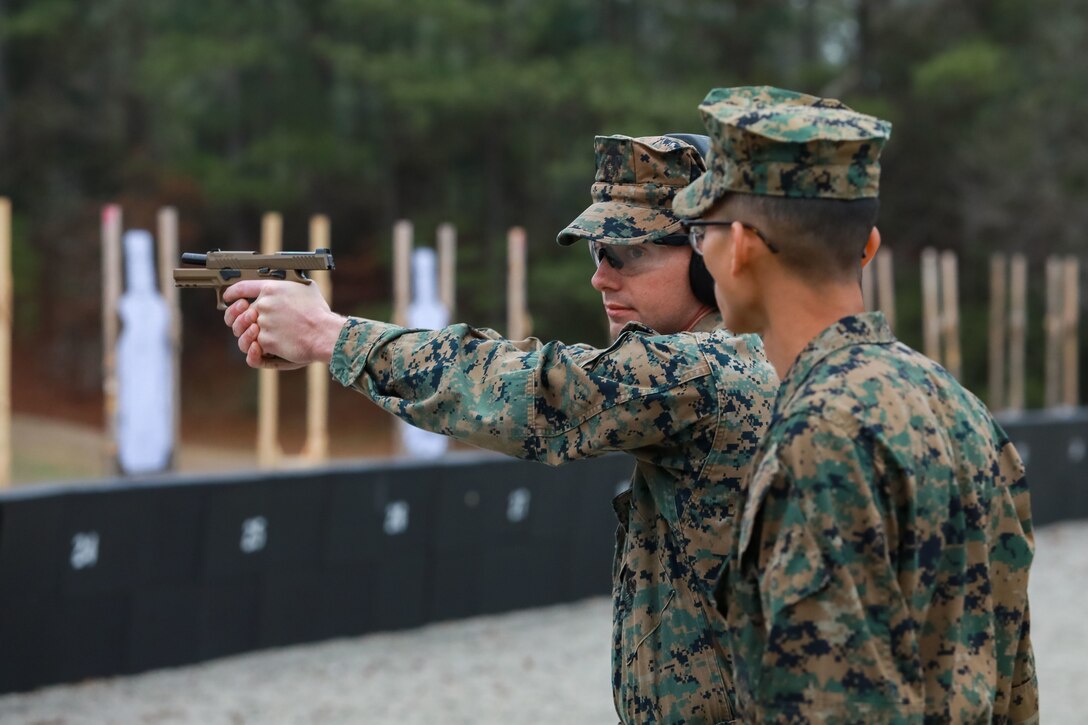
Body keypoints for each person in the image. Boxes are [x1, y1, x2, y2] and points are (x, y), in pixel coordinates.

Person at [223, 134, 778, 724]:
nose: (601, 278)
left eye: (626, 253)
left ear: (706, 258)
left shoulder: (702, 370)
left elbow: (530, 392)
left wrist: (328, 335)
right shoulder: (744, 353)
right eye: (598, 253)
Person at [673, 86, 1038, 722]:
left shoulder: (819, 438)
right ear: (867, 246)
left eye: (700, 233)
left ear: (740, 246)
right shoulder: (957, 405)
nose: (699, 252)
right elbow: (1012, 675)